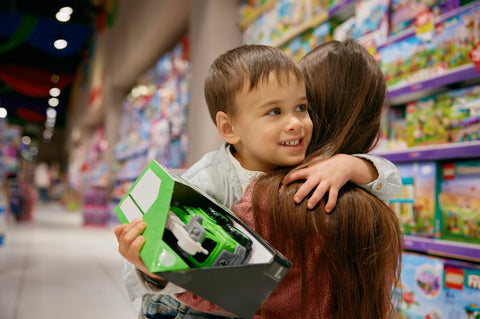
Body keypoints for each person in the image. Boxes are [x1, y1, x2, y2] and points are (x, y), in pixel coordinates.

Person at [115, 43, 402, 318]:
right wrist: (152, 270)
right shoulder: (209, 182)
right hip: (174, 298)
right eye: (275, 111)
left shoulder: (293, 171)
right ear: (229, 128)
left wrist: (349, 164)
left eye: (302, 108)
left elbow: (391, 181)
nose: (295, 123)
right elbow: (176, 260)